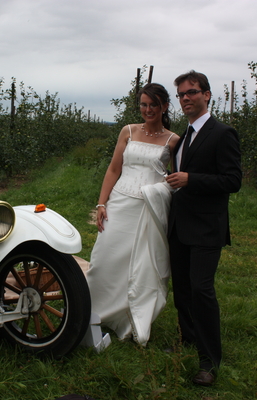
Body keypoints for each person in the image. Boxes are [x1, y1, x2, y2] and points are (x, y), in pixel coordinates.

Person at [86, 83, 179, 346]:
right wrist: (101, 204)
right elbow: (114, 170)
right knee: (106, 255)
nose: (148, 110)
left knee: (139, 264)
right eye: (144, 104)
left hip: (148, 209)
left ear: (164, 107)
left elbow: (175, 178)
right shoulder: (127, 131)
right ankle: (95, 309)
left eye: (154, 105)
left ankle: (128, 316)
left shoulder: (173, 140)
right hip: (120, 203)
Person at [166, 71, 242, 386]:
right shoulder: (183, 138)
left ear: (207, 95)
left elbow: (232, 181)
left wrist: (190, 179)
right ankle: (188, 339)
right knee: (182, 289)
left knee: (202, 290)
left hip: (207, 227)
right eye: (181, 95)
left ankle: (209, 361)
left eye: (192, 92)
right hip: (180, 225)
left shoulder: (222, 133)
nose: (186, 98)